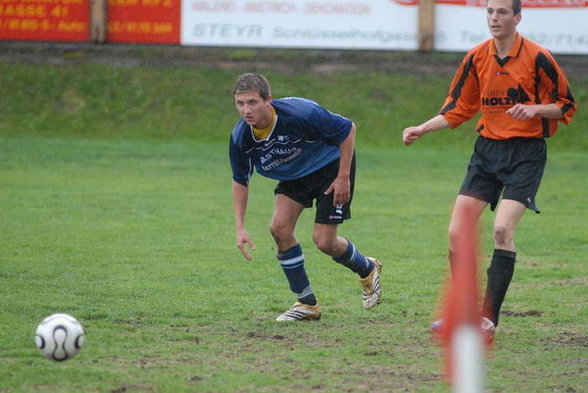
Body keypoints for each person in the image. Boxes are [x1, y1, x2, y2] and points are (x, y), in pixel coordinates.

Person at [402, 0, 576, 340]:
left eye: (502, 12)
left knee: (501, 230)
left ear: (517, 18)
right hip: (487, 152)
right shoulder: (476, 57)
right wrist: (422, 128)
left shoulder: (539, 57)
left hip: (526, 154)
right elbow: (457, 109)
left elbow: (565, 105)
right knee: (457, 231)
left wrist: (535, 109)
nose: (494, 18)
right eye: (490, 12)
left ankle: (488, 320)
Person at [229, 73, 382, 322]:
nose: (246, 110)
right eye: (240, 103)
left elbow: (347, 130)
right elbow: (240, 180)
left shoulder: (301, 114)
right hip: (294, 175)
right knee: (279, 228)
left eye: (252, 102)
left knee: (324, 242)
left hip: (330, 167)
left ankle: (367, 268)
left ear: (268, 100)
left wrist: (343, 177)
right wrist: (240, 226)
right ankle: (307, 303)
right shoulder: (241, 137)